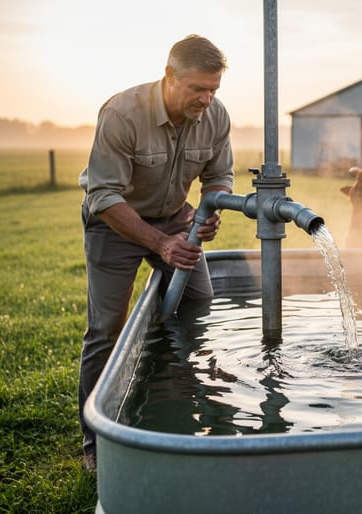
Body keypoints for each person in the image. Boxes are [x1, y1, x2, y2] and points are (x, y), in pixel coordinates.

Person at [77, 34, 234, 471]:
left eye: (213, 89)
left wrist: (210, 209)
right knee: (106, 328)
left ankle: (168, 389)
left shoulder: (215, 115)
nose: (206, 98)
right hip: (115, 225)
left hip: (176, 220)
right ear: (169, 76)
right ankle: (95, 442)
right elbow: (103, 196)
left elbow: (220, 175)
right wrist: (160, 244)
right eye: (197, 88)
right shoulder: (122, 113)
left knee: (198, 299)